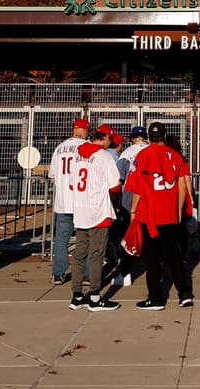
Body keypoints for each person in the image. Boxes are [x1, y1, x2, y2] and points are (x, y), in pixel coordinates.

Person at [125, 121, 193, 310]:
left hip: (150, 213)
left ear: (149, 136)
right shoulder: (176, 157)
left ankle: (156, 298)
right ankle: (184, 293)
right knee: (174, 255)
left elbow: (138, 187)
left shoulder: (144, 154)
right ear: (164, 135)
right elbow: (181, 186)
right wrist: (179, 209)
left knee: (152, 258)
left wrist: (133, 210)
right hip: (169, 212)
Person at [67, 130, 123, 312]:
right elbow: (115, 185)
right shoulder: (103, 156)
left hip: (81, 209)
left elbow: (72, 183)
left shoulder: (78, 155)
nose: (111, 143)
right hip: (98, 210)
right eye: (109, 139)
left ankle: (76, 296)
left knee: (79, 254)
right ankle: (95, 297)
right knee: (97, 255)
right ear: (103, 138)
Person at [49, 119, 90, 285]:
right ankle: (86, 274)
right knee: (85, 238)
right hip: (81, 200)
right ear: (85, 130)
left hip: (63, 201)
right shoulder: (86, 147)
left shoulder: (59, 148)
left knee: (61, 239)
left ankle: (58, 273)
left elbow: (52, 178)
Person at [113, 126, 148, 287]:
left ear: (133, 138)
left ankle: (126, 272)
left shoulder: (127, 153)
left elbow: (118, 177)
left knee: (130, 236)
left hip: (130, 198)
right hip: (151, 197)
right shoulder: (152, 149)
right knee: (151, 235)